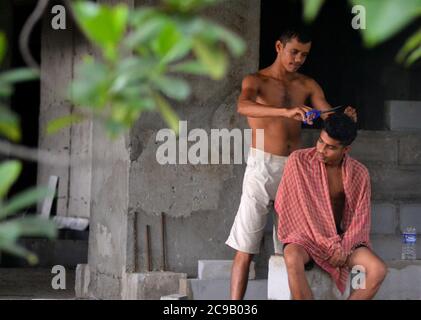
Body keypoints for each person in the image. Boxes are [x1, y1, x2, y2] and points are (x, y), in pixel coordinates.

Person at [225, 27, 357, 300]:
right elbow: (243, 106)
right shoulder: (256, 80)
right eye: (293, 52)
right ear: (278, 47)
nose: (298, 59)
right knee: (245, 246)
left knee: (291, 246)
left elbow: (328, 117)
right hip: (262, 166)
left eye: (304, 55)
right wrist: (286, 111)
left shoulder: (307, 84)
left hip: (296, 169)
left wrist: (344, 119)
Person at [275, 113, 387, 300]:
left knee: (378, 270)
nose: (321, 149)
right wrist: (324, 242)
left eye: (330, 147)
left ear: (346, 149)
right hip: (306, 237)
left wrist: (343, 248)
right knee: (292, 257)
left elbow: (360, 218)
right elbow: (289, 208)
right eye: (320, 141)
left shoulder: (359, 173)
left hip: (341, 240)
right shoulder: (298, 161)